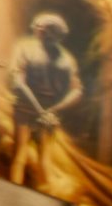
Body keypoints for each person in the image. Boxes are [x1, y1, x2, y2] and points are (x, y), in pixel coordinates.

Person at [8, 11, 84, 189]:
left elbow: (18, 82)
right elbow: (77, 91)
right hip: (46, 113)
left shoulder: (25, 47)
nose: (40, 31)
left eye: (43, 29)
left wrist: (46, 110)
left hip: (27, 109)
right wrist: (52, 111)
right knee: (39, 158)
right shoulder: (67, 59)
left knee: (23, 156)